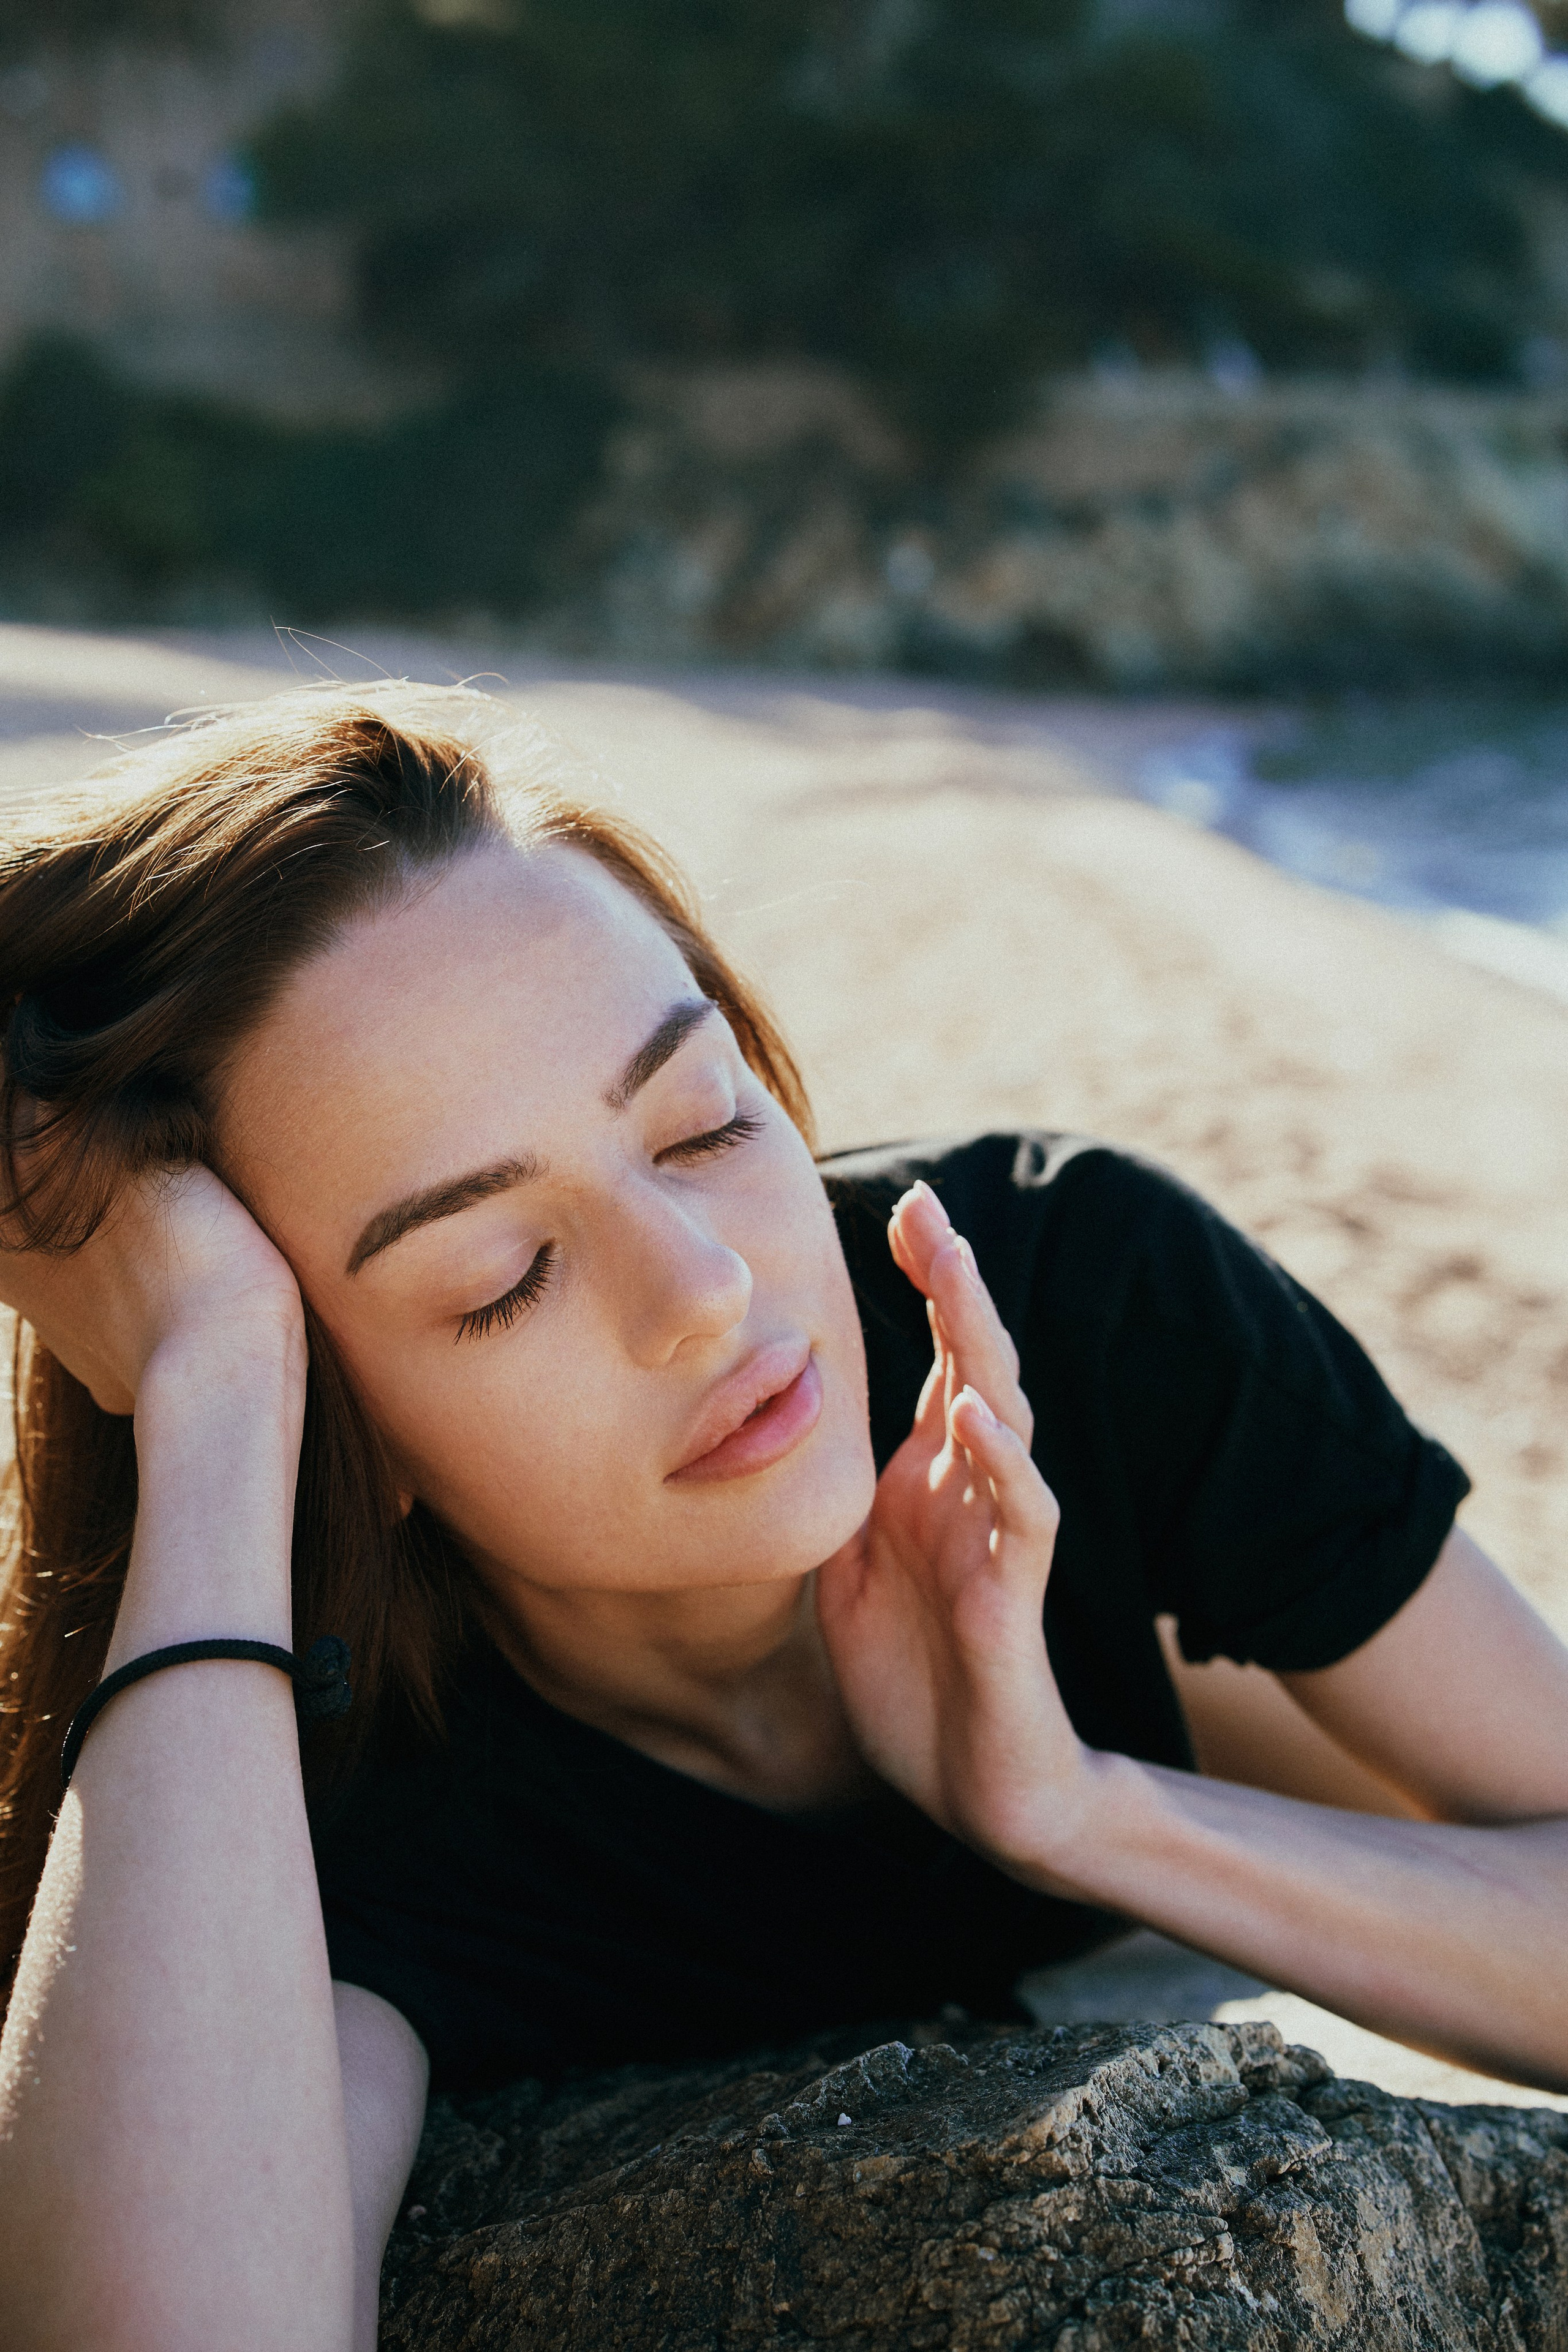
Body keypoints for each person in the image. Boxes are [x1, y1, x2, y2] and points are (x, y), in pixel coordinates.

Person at [0, 685, 1563, 2352]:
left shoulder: (1070, 1321)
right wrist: (220, 1379)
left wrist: (1080, 1810)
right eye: (504, 1277)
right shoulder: (330, 1791)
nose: (710, 1288)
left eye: (703, 1122)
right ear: (341, 1414)